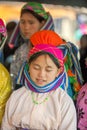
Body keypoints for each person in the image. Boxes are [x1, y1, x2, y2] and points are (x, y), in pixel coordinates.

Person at [1, 35, 77, 129]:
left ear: (58, 72)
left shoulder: (63, 101)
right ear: (28, 67)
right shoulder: (17, 96)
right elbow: (6, 126)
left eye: (48, 70)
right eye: (36, 68)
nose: (41, 74)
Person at [3, 2, 54, 88]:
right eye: (22, 22)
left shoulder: (52, 50)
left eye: (31, 23)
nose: (26, 27)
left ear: (42, 23)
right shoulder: (21, 50)